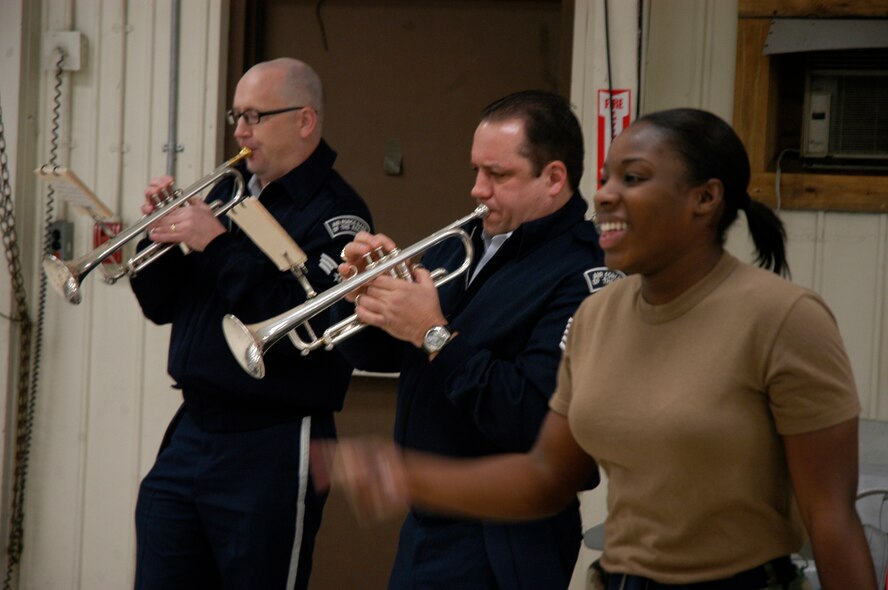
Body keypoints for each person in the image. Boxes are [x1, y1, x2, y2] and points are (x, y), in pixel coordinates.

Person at [319, 108, 878, 590]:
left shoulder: (784, 318)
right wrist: (403, 474)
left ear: (705, 198)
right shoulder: (601, 316)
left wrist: (436, 336)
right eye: (607, 177)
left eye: (633, 178)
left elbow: (830, 519)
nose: (605, 192)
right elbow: (546, 477)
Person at [332, 90, 614, 589]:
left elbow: (532, 416)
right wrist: (362, 296)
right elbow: (384, 354)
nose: (477, 190)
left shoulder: (584, 273)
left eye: (498, 175)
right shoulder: (461, 243)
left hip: (506, 534)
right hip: (428, 522)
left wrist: (434, 333)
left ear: (553, 177)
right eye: (476, 171)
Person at [129, 57, 373, 590]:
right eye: (235, 115)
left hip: (272, 439)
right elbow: (160, 304)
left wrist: (215, 244)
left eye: (255, 116)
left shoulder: (336, 215)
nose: (239, 131)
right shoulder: (227, 192)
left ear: (305, 120)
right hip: (193, 429)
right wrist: (159, 235)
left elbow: (303, 323)